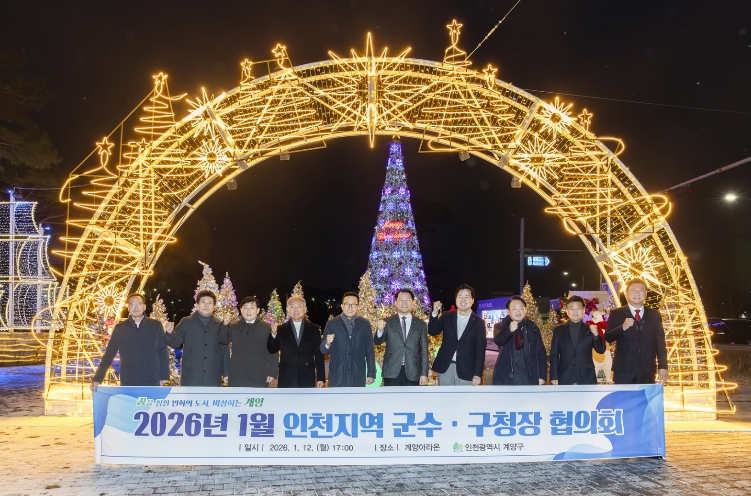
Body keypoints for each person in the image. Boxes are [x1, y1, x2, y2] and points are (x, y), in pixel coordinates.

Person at [90, 293, 170, 391]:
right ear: (128, 308)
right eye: (132, 304)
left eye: (139, 304)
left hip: (152, 379)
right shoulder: (120, 329)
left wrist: (164, 376)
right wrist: (97, 378)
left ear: (144, 307)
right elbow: (109, 354)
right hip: (128, 380)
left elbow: (162, 351)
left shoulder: (155, 326)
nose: (136, 307)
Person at [604, 278, 668, 385]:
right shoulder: (617, 313)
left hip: (647, 369)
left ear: (645, 293)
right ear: (627, 293)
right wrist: (622, 328)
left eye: (640, 290)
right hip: (624, 369)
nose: (637, 293)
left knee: (645, 396)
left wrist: (663, 366)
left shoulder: (654, 315)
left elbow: (660, 343)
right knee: (624, 396)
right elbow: (608, 337)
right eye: (633, 290)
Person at [164, 290, 230, 386]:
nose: (206, 305)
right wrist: (170, 333)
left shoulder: (219, 325)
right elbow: (175, 343)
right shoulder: (186, 322)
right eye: (203, 302)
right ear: (197, 305)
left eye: (210, 303)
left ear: (214, 306)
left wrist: (226, 373)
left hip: (213, 376)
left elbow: (224, 350)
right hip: (191, 376)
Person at [428, 284, 486, 386]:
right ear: (456, 300)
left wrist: (477, 374)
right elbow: (433, 331)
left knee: (464, 396)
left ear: (472, 300)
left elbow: (480, 350)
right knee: (445, 395)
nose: (463, 300)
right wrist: (434, 313)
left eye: (466, 297)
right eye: (460, 296)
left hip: (467, 369)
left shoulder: (478, 322)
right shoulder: (447, 316)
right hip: (446, 367)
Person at [217, 296, 278, 387]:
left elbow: (273, 351)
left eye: (252, 307)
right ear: (241, 310)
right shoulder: (234, 326)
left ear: (258, 310)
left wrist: (272, 372)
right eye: (245, 307)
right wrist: (225, 324)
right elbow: (222, 340)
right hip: (236, 376)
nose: (248, 310)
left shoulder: (267, 328)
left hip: (259, 376)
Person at [267, 294, 326, 388]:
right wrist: (273, 334)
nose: (295, 310)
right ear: (288, 309)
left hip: (307, 375)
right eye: (292, 307)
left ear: (305, 309)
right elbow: (272, 349)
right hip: (287, 376)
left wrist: (320, 378)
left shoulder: (314, 329)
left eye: (299, 306)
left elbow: (319, 354)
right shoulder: (281, 329)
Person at [320, 292, 376, 387]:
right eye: (347, 304)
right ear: (342, 306)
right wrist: (327, 343)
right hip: (337, 376)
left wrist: (371, 373)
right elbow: (323, 350)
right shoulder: (332, 324)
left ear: (358, 307)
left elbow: (370, 350)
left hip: (357, 375)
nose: (350, 307)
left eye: (353, 304)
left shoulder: (365, 324)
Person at [374, 288, 428, 386]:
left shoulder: (421, 324)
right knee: (392, 396)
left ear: (413, 302)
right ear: (396, 302)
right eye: (401, 300)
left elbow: (424, 351)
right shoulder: (387, 322)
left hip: (414, 371)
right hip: (392, 371)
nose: (404, 303)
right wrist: (380, 330)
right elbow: (377, 341)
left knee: (412, 396)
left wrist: (424, 374)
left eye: (407, 300)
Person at [550, 296, 606, 385]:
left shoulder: (590, 329)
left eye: (578, 308)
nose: (575, 311)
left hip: (586, 376)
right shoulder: (559, 330)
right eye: (572, 308)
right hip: (564, 375)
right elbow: (554, 355)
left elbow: (601, 350)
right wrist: (554, 375)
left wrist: (596, 335)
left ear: (583, 311)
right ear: (567, 311)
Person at [492, 296, 547, 385]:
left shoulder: (533, 328)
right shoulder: (500, 326)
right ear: (508, 311)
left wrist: (542, 375)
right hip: (505, 375)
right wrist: (509, 330)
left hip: (527, 375)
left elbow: (541, 352)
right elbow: (498, 341)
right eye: (514, 309)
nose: (518, 311)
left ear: (525, 310)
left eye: (521, 308)